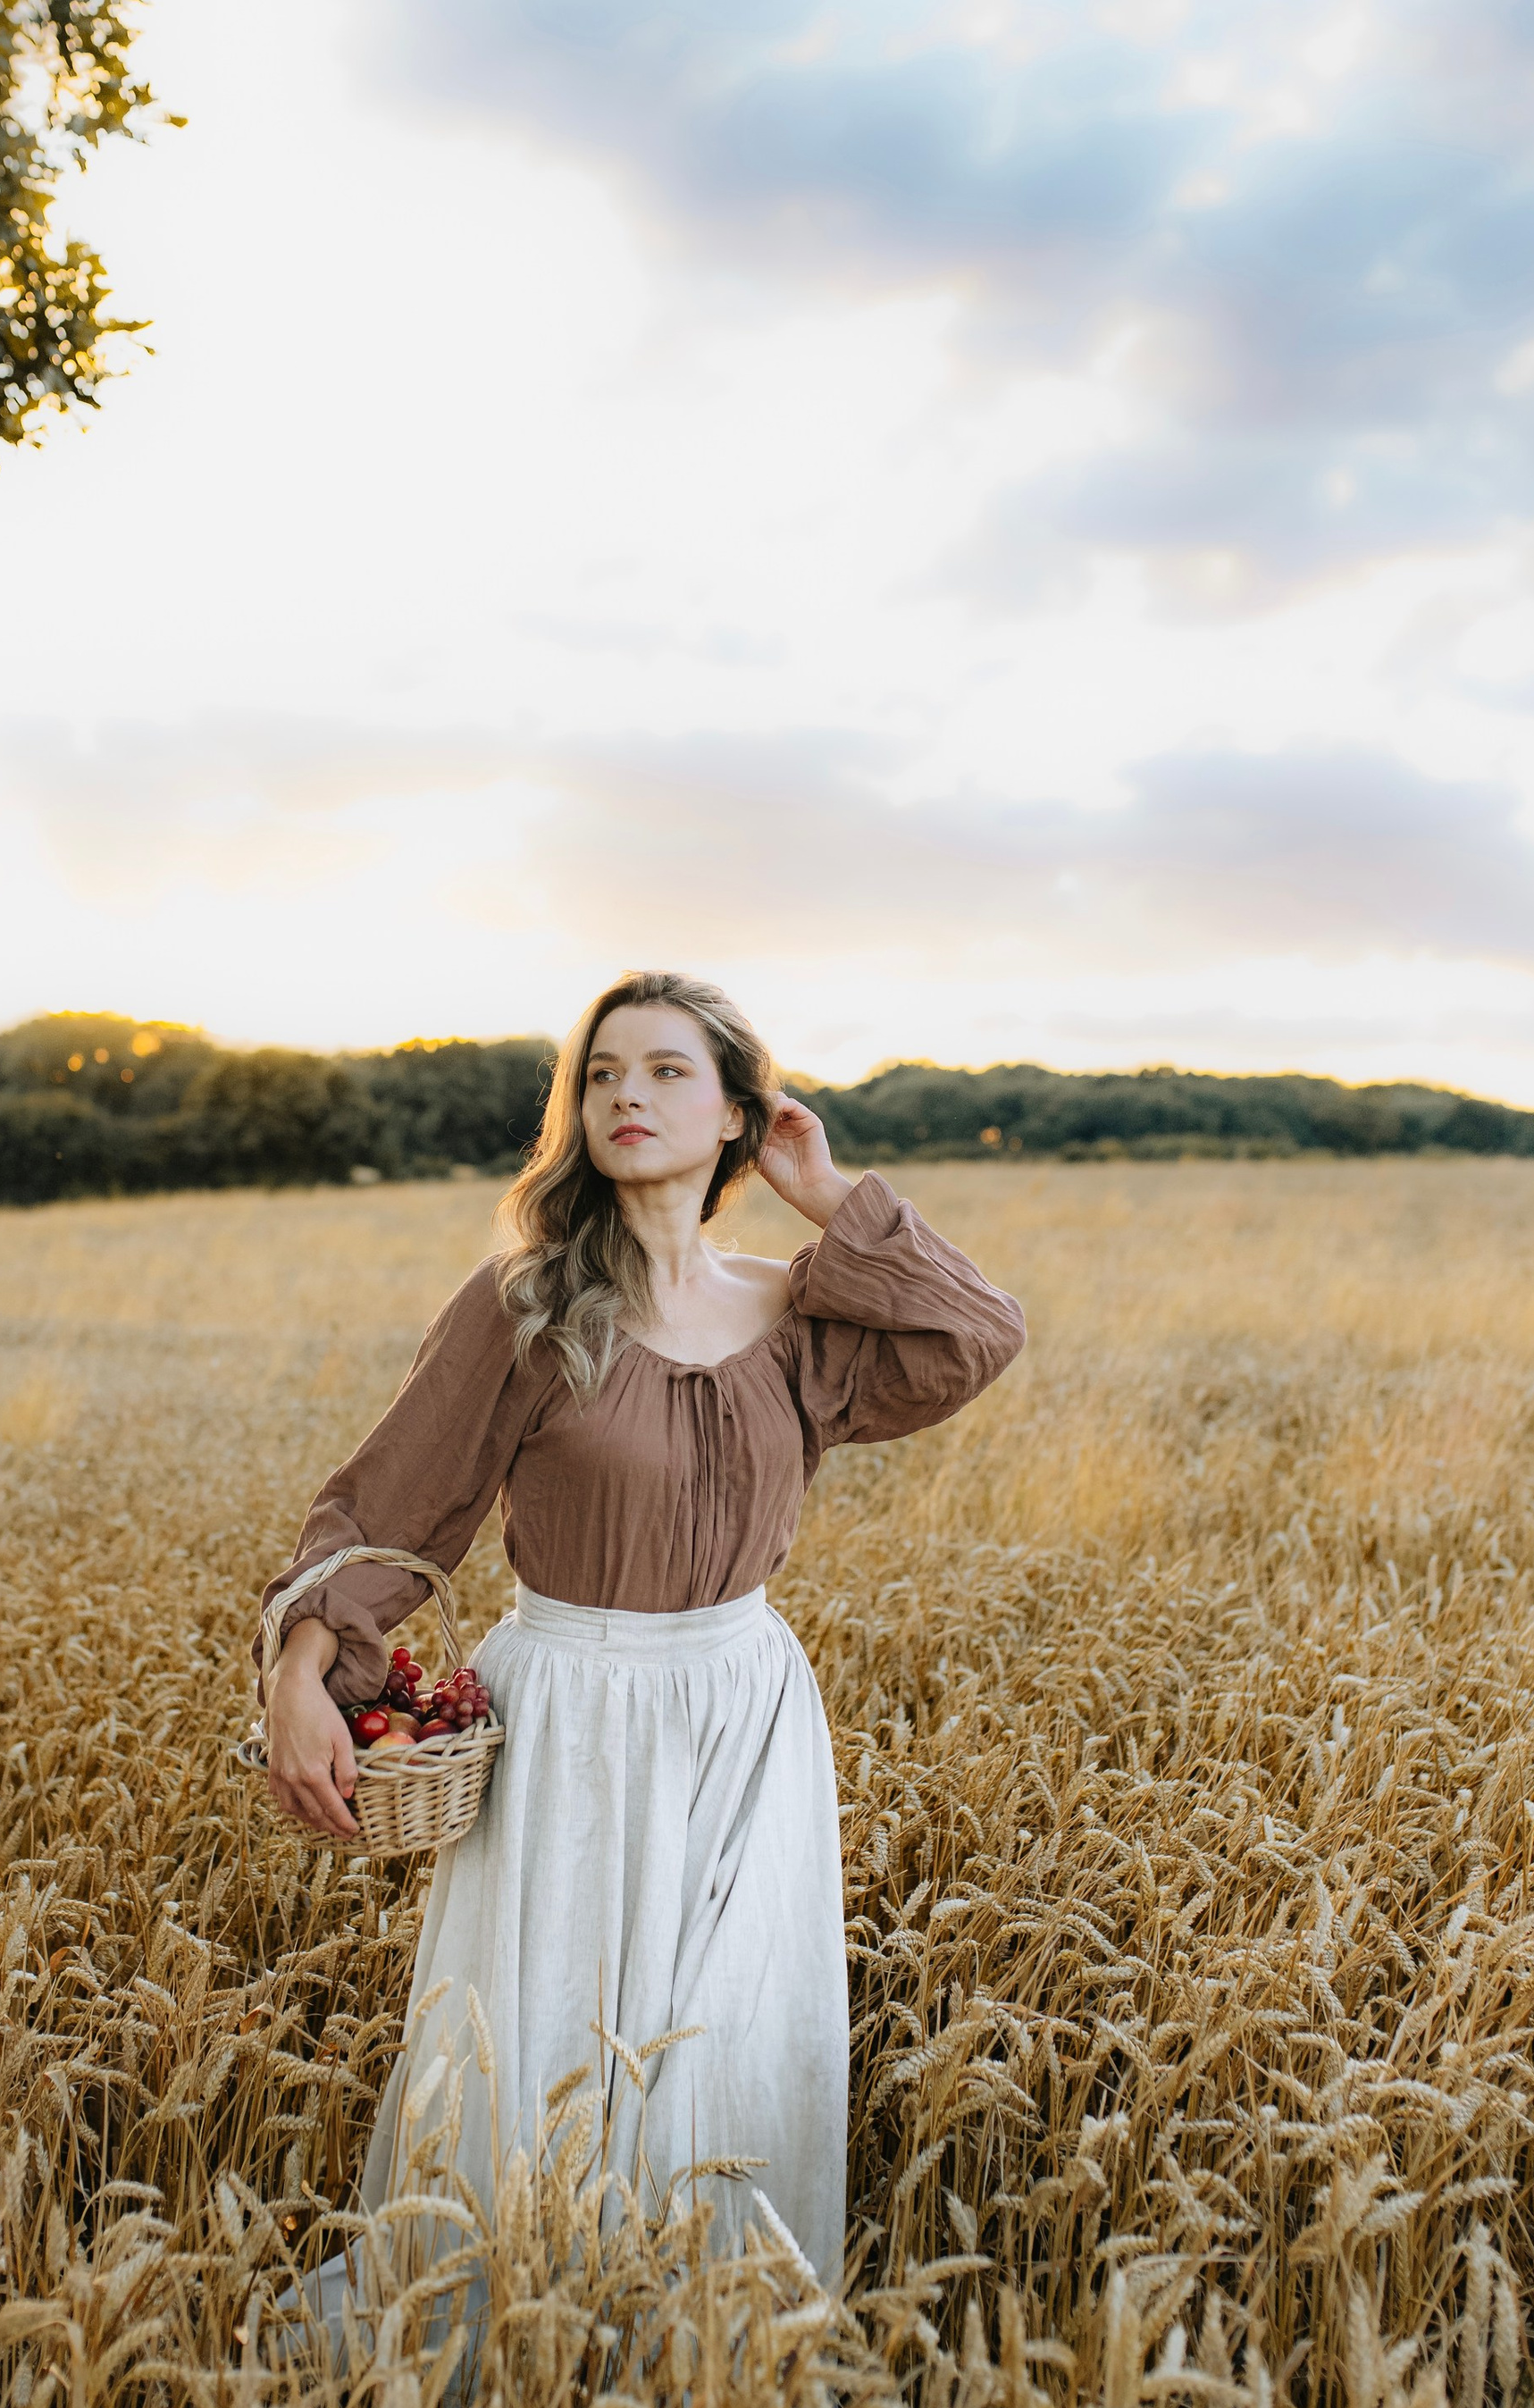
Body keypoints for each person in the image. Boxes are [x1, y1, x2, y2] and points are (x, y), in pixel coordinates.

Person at [260, 969, 1026, 2290]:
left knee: (725, 2040)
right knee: (545, 2039)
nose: (628, 1095)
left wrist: (834, 1197)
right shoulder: (528, 1302)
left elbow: (978, 1332)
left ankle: (709, 2347)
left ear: (739, 1112)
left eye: (670, 1071)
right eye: (604, 1073)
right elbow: (395, 1503)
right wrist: (299, 1665)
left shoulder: (799, 1314)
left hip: (745, 1709)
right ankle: (515, 2328)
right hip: (568, 1716)